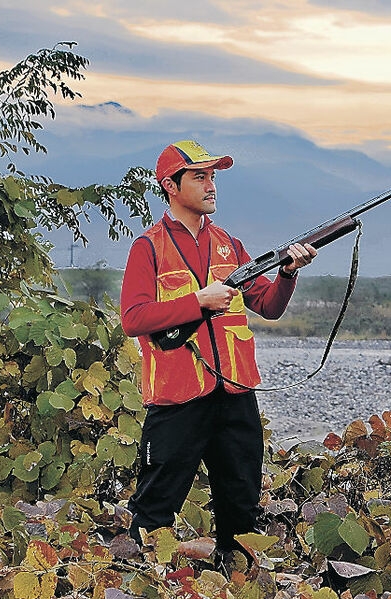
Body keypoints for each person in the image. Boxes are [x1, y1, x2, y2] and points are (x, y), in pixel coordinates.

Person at [120, 140, 317, 563]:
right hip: (178, 398)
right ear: (170, 186)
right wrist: (198, 302)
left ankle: (238, 588)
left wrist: (286, 274)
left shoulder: (231, 245)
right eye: (199, 177)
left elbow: (269, 306)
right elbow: (133, 318)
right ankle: (142, 591)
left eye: (212, 177)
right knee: (155, 508)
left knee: (242, 506)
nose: (211, 186)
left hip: (235, 393)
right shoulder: (148, 247)